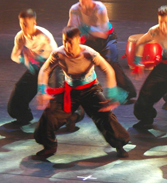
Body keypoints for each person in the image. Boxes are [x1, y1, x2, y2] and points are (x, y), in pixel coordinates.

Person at [33, 26, 130, 159]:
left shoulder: (89, 53)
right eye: (65, 41)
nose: (67, 46)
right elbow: (45, 70)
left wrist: (112, 93)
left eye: (70, 42)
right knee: (49, 115)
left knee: (105, 115)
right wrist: (42, 90)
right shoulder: (58, 53)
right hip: (70, 90)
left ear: (78, 41)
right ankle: (49, 147)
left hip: (90, 90)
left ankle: (119, 145)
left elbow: (108, 70)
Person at [67, 0, 137, 102]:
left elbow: (103, 33)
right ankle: (82, 92)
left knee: (111, 63)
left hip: (106, 39)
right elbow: (70, 29)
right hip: (89, 40)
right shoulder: (74, 9)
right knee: (78, 62)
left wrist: (85, 28)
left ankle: (128, 92)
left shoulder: (99, 8)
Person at [8, 9, 72, 126]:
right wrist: (24, 57)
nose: (23, 27)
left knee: (55, 94)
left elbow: (56, 57)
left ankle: (73, 115)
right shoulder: (20, 37)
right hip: (37, 68)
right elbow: (14, 56)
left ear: (34, 23)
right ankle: (24, 116)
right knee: (15, 103)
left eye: (26, 24)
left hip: (54, 67)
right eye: (21, 23)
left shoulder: (44, 36)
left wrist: (37, 57)